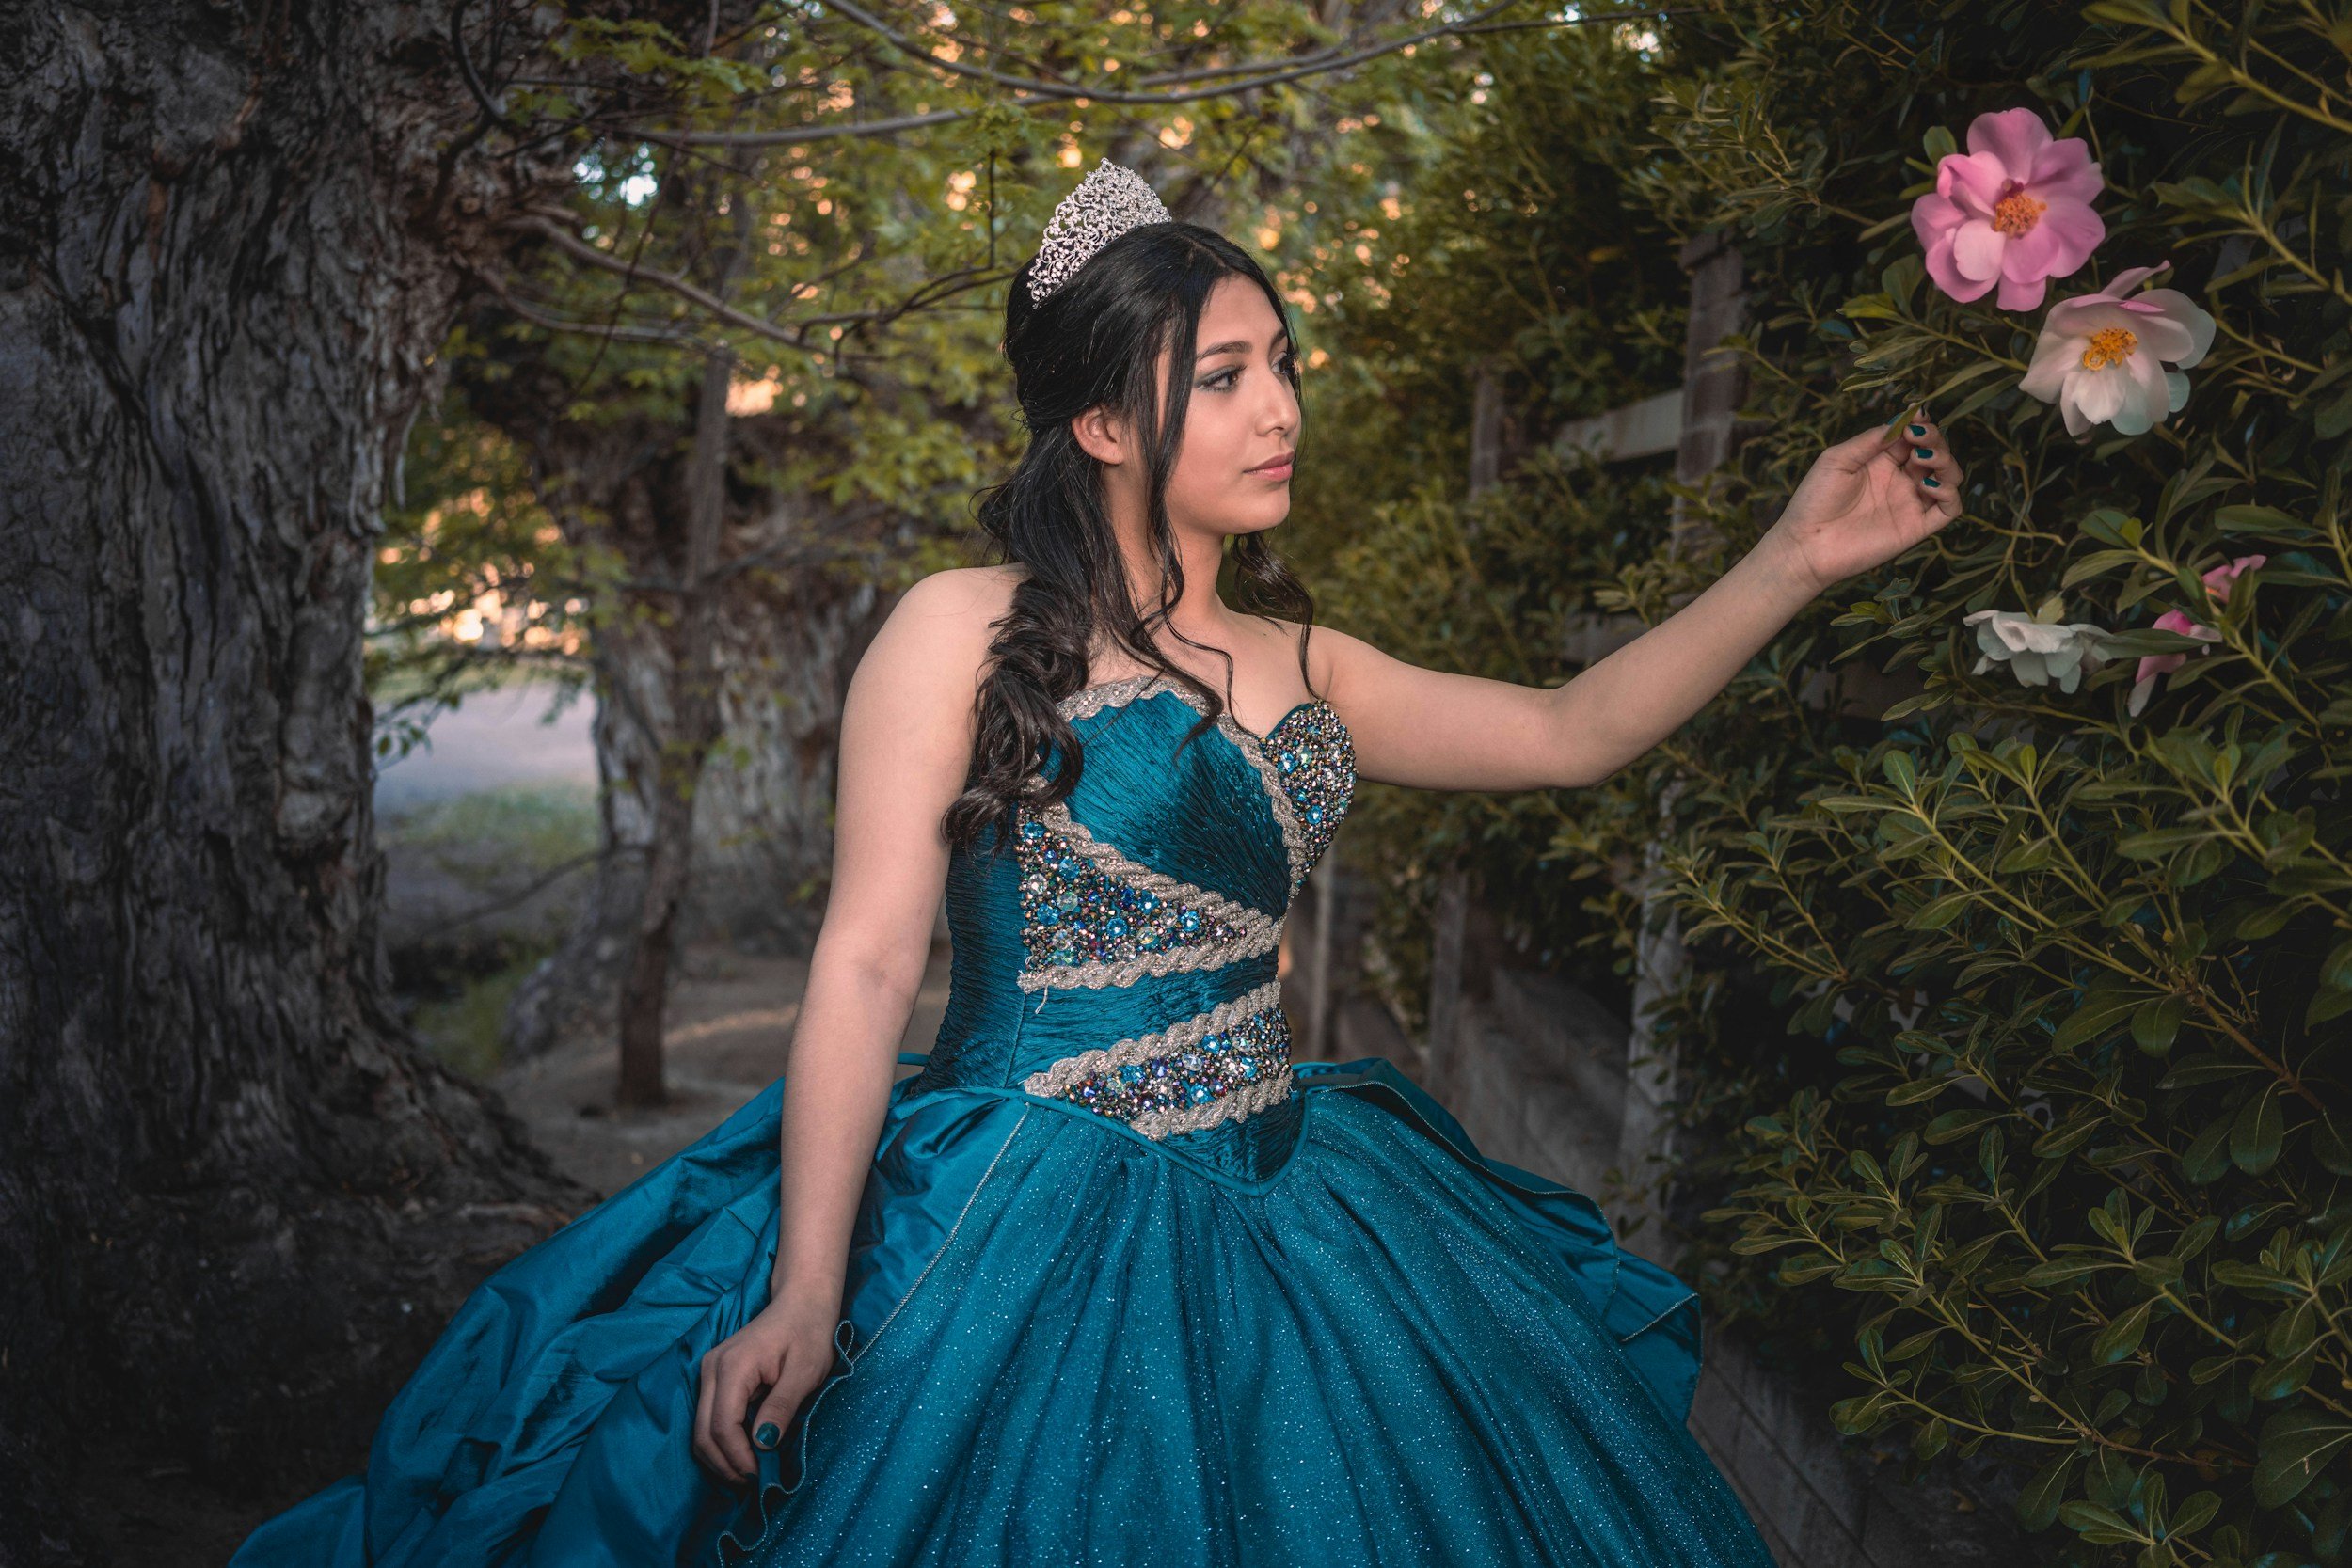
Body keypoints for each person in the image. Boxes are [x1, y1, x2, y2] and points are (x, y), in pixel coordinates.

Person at [230, 159, 1961, 1568]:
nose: (1278, 406)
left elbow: (1576, 728)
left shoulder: (1312, 663)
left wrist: (1795, 559)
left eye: (1283, 361)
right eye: (1223, 377)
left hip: (1296, 1197)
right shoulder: (963, 632)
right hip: (1019, 1206)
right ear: (1104, 425)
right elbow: (858, 965)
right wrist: (813, 1288)